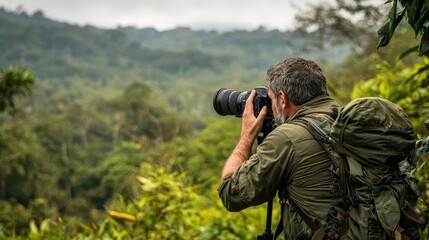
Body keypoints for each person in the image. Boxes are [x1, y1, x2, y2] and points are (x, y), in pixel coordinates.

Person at [217, 57, 342, 239]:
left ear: (282, 99)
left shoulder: (287, 139)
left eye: (270, 99)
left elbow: (230, 193)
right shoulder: (345, 120)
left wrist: (247, 136)